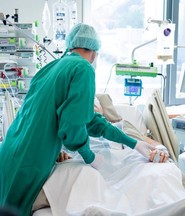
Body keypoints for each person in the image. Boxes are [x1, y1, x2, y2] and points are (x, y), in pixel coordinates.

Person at [0, 23, 160, 216]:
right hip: (30, 159)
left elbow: (90, 120)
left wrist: (134, 143)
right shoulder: (83, 69)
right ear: (94, 52)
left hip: (10, 151)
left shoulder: (51, 67)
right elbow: (72, 126)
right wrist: (89, 155)